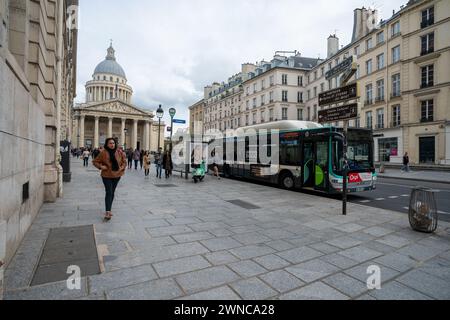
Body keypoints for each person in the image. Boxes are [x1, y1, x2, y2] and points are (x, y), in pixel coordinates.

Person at [92, 138, 127, 221]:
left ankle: (109, 209)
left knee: (112, 192)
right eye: (110, 143)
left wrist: (121, 168)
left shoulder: (119, 152)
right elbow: (95, 161)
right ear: (107, 144)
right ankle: (107, 212)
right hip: (106, 175)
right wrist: (101, 167)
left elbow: (124, 162)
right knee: (109, 192)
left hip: (117, 175)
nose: (112, 145)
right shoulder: (103, 152)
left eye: (113, 143)